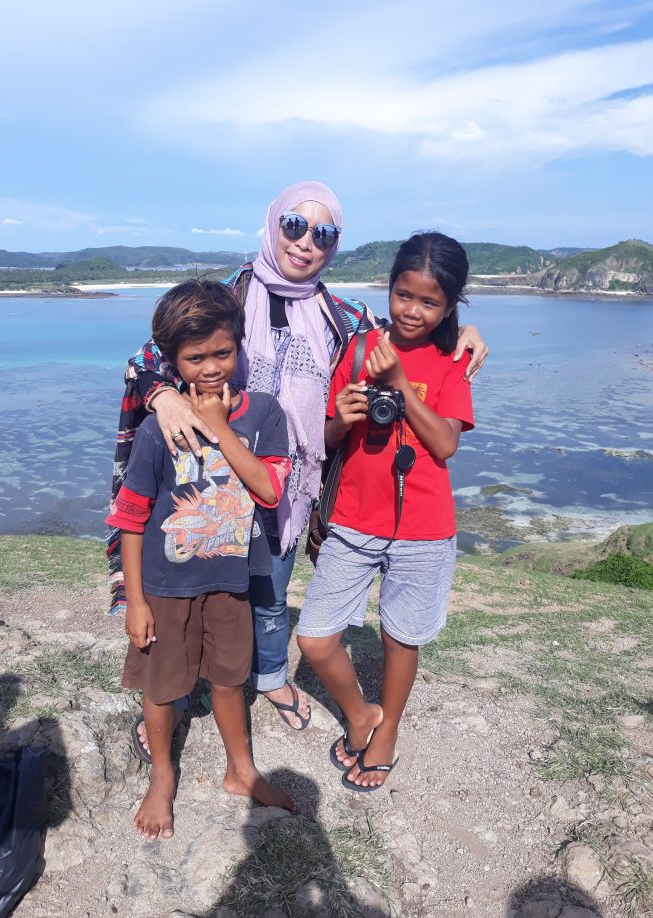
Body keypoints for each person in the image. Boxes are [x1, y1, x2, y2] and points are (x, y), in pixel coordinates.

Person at [108, 181, 488, 754]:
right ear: (271, 223)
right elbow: (154, 352)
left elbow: (414, 333)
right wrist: (162, 395)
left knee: (267, 590)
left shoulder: (341, 314)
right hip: (209, 482)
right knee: (192, 589)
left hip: (290, 481)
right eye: (294, 225)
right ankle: (172, 695)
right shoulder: (231, 295)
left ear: (335, 245)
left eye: (324, 233)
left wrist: (465, 332)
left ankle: (271, 678)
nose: (306, 242)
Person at [106, 280, 295, 840]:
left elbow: (267, 490)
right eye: (195, 358)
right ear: (171, 361)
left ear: (239, 346)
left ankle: (242, 770)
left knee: (230, 680)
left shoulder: (264, 413)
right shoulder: (156, 428)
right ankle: (162, 775)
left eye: (223, 353)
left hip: (230, 581)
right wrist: (135, 599)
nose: (212, 367)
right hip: (165, 586)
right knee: (162, 686)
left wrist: (218, 426)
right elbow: (131, 518)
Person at [297, 232, 474, 791]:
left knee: (402, 638)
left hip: (424, 527)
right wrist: (345, 417)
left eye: (430, 302)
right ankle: (360, 713)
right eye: (404, 295)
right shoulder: (356, 349)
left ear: (450, 306)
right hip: (352, 518)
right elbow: (323, 440)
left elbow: (445, 445)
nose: (413, 311)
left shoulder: (453, 359)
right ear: (390, 288)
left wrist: (400, 384)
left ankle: (388, 728)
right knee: (316, 638)